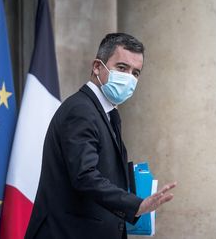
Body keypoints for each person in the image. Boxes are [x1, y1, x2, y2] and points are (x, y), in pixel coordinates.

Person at [25, 33, 176, 239]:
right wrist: (136, 204)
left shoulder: (106, 113)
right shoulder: (81, 110)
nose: (129, 78)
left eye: (136, 73)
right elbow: (85, 176)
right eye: (122, 68)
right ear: (97, 67)